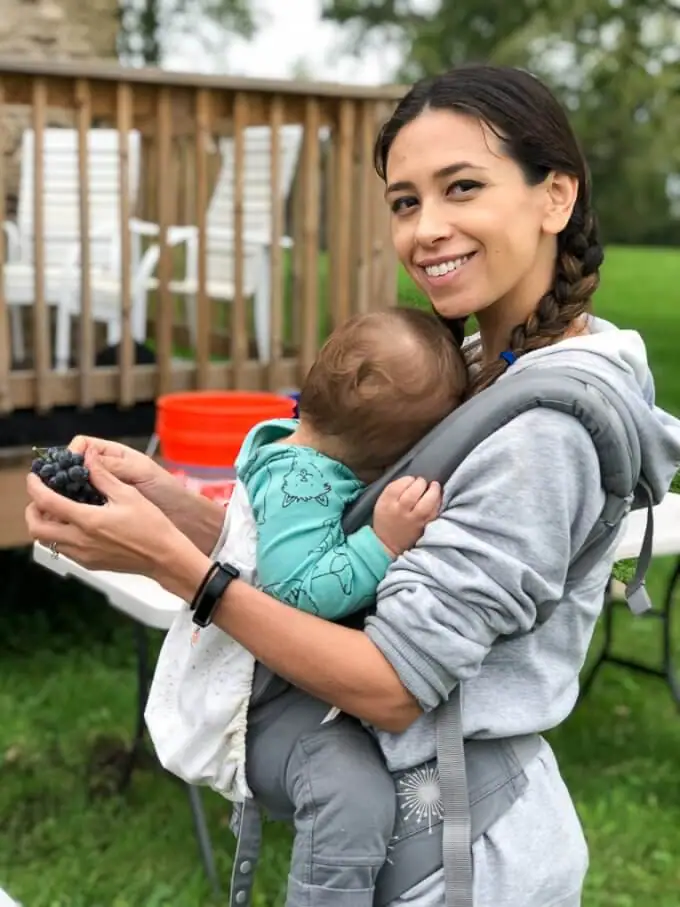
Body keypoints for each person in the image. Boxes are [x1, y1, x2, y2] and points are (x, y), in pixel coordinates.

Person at [26, 63, 680, 907]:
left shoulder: (542, 433)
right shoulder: (483, 368)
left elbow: (392, 682)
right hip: (417, 832)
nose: (427, 229)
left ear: (556, 196)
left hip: (466, 860)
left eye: (463, 187)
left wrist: (182, 573)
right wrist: (172, 507)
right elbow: (334, 555)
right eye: (406, 201)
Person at [143, 306, 467, 907]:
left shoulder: (299, 455)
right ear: (387, 453)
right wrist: (382, 542)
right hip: (257, 702)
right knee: (349, 795)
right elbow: (299, 593)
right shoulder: (304, 481)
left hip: (290, 687)